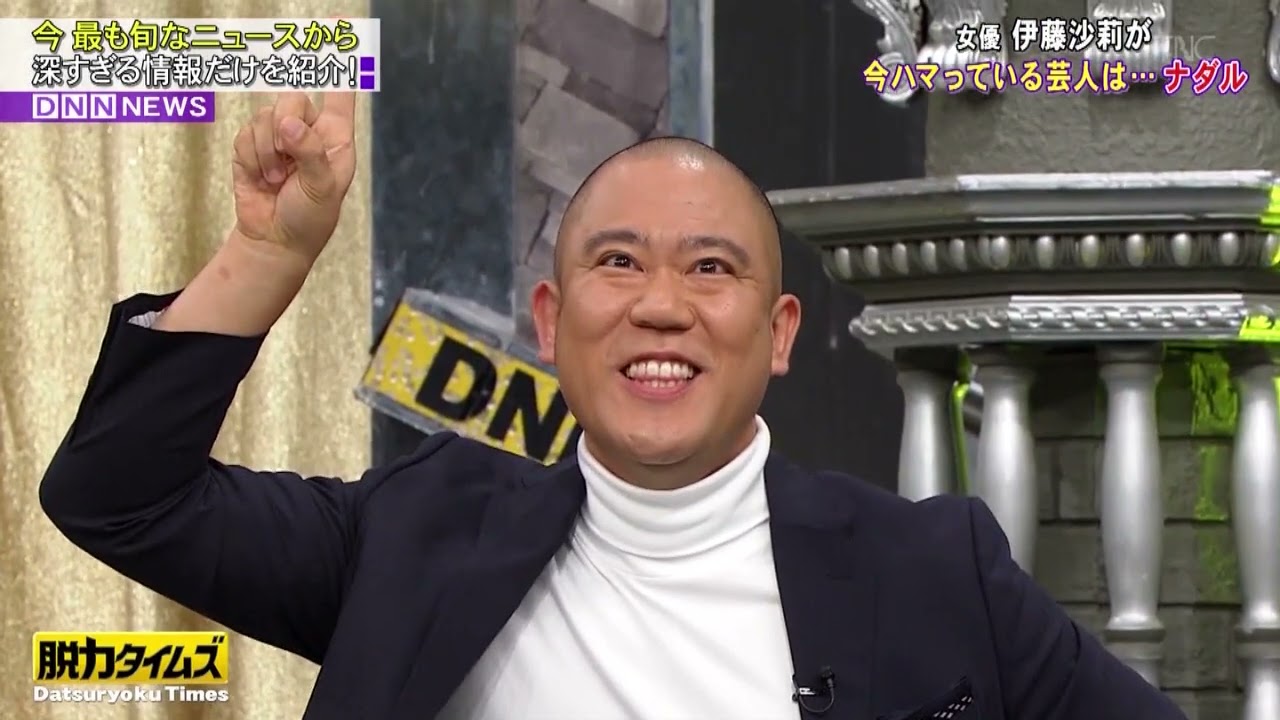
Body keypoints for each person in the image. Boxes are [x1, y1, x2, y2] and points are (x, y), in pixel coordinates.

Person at [38, 91, 1186, 720]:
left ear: (779, 334)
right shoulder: (415, 534)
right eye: (618, 264)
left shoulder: (933, 570)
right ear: (548, 323)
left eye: (710, 270)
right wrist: (264, 255)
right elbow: (119, 498)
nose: (660, 307)